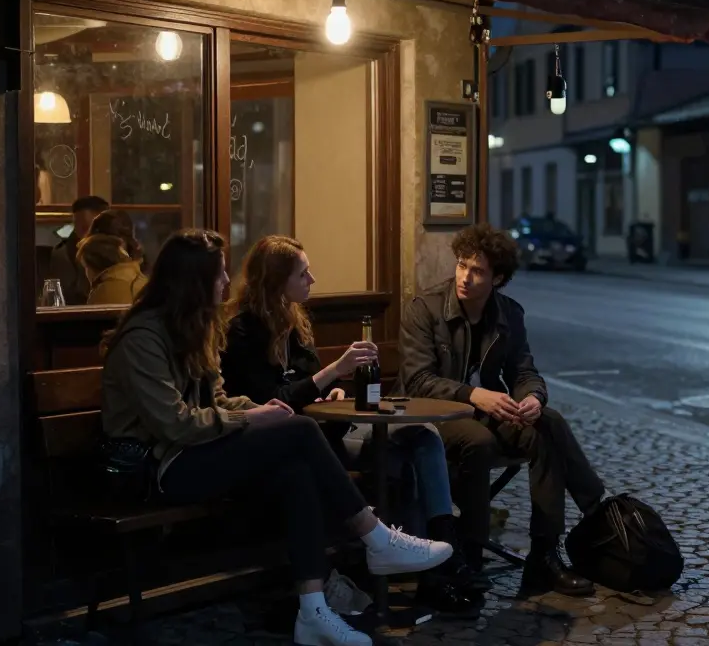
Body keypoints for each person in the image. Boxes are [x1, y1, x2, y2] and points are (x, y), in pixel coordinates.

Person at [101, 228, 452, 646]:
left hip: (191, 452)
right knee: (300, 429)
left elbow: (217, 399)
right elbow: (175, 424)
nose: (227, 283)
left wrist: (255, 409)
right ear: (192, 282)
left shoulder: (196, 327)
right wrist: (253, 421)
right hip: (154, 470)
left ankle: (313, 611)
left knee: (296, 470)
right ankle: (376, 537)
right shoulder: (143, 338)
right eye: (219, 275)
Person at [220, 234, 481, 613]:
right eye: (303, 273)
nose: (312, 280)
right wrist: (335, 371)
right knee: (401, 465)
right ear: (277, 281)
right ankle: (402, 560)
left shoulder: (293, 320)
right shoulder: (243, 330)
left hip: (327, 430)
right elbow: (274, 399)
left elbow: (308, 384)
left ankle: (444, 551)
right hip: (294, 445)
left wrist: (334, 390)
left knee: (423, 436)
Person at [398, 223, 607, 597]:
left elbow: (524, 372)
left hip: (484, 409)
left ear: (498, 278)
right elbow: (417, 382)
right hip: (430, 415)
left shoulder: (509, 314)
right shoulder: (424, 309)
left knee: (545, 422)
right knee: (477, 440)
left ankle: (544, 555)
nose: (465, 277)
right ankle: (471, 555)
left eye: (477, 271)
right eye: (462, 265)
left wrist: (532, 398)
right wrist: (474, 395)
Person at [49, 195, 109, 305]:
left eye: (87, 227)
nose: (82, 234)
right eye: (77, 226)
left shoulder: (120, 251)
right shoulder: (63, 255)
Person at [77, 234, 146, 306]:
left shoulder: (102, 292)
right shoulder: (143, 281)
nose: (86, 273)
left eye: (86, 267)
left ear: (94, 265)